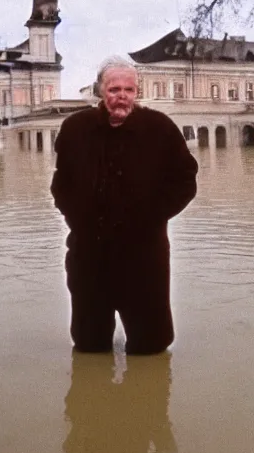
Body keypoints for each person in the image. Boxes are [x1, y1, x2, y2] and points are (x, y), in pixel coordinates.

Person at [50, 56, 198, 355]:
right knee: (90, 348)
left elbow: (186, 181)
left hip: (144, 259)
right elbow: (60, 184)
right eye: (114, 88)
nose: (122, 96)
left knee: (151, 349)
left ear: (137, 92)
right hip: (89, 257)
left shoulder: (161, 128)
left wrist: (152, 217)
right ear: (99, 91)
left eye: (129, 89)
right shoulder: (74, 129)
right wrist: (78, 220)